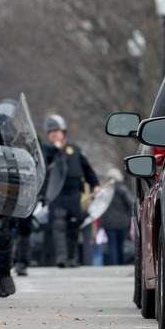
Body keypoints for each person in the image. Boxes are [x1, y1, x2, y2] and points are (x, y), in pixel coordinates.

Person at [41, 114, 100, 268]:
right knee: (59, 225)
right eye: (51, 132)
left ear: (63, 131)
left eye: (57, 131)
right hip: (56, 194)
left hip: (74, 194)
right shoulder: (46, 150)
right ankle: (62, 258)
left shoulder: (75, 149)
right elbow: (43, 168)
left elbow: (87, 169)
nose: (54, 134)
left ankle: (72, 258)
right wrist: (56, 149)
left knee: (74, 225)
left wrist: (95, 184)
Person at [99, 169, 133, 265]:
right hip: (122, 222)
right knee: (120, 244)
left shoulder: (104, 190)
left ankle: (114, 264)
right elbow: (131, 203)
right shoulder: (123, 189)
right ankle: (121, 263)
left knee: (112, 245)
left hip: (108, 222)